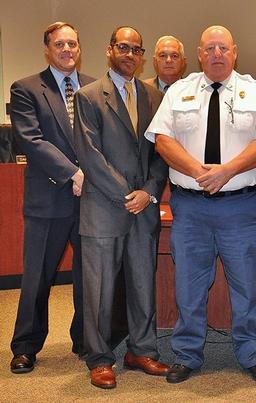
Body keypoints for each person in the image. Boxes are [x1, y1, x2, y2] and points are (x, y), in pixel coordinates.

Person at [144, 25, 256, 385]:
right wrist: (198, 171)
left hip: (240, 207)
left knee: (247, 286)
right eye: (210, 48)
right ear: (200, 52)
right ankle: (187, 354)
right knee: (189, 286)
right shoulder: (179, 91)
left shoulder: (254, 92)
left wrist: (226, 171)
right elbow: (162, 140)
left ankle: (252, 353)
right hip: (190, 208)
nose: (217, 54)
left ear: (234, 52)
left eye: (223, 47)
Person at [73, 26, 169, 389]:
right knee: (98, 291)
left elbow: (162, 153)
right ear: (110, 49)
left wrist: (148, 191)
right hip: (103, 207)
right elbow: (89, 154)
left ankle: (141, 350)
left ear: (142, 56)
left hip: (143, 208)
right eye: (123, 47)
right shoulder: (88, 96)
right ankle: (99, 358)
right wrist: (126, 193)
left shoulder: (153, 97)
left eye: (136, 49)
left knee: (143, 283)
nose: (129, 54)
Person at [9, 21, 94, 374]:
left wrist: (93, 177)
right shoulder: (26, 88)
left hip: (91, 200)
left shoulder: (93, 87)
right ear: (47, 48)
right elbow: (31, 140)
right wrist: (73, 174)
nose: (67, 50)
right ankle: (25, 345)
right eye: (59, 44)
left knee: (90, 276)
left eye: (72, 44)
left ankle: (86, 340)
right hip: (49, 199)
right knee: (37, 277)